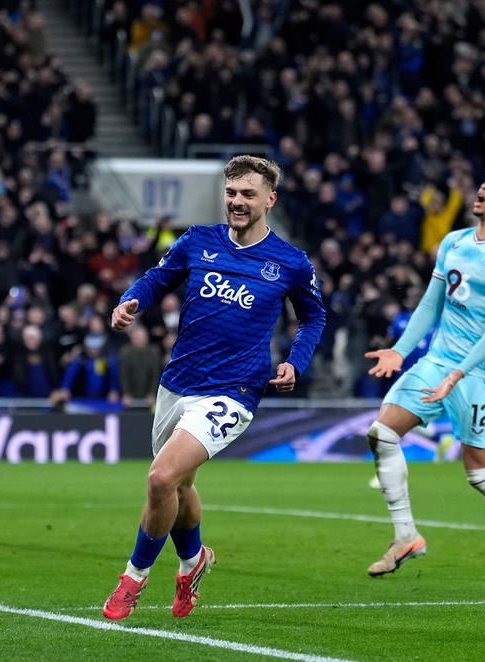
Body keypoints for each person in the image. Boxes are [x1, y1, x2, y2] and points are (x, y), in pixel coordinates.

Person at [102, 155, 326, 620]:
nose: (237, 202)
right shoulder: (198, 240)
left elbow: (313, 317)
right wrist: (130, 301)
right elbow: (158, 278)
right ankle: (193, 561)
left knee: (160, 478)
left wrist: (295, 361)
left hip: (234, 391)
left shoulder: (290, 262)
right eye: (231, 193)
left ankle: (133, 579)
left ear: (270, 199)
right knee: (180, 485)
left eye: (248, 194)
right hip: (177, 383)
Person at [363, 170, 485, 579]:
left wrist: (460, 373)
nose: (484, 186)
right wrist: (400, 351)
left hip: (480, 373)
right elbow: (430, 306)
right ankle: (405, 536)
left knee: (480, 474)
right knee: (382, 433)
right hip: (437, 361)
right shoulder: (453, 241)